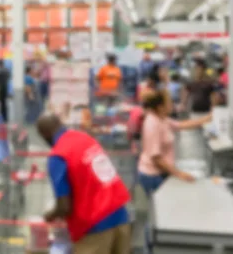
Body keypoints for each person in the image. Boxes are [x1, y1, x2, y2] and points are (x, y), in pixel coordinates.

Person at [38, 114, 131, 253]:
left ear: (45, 135)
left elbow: (64, 207)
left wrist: (48, 216)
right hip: (120, 215)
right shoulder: (84, 138)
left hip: (95, 227)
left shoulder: (58, 155)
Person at [138, 91, 214, 253]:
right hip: (152, 175)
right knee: (155, 215)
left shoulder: (162, 119)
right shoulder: (152, 123)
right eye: (169, 102)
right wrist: (178, 174)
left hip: (161, 173)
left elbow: (182, 125)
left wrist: (207, 119)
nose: (172, 105)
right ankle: (149, 248)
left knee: (158, 212)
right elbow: (156, 158)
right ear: (159, 107)